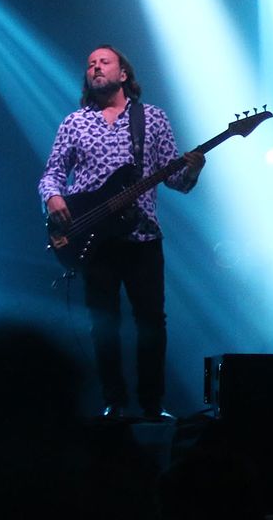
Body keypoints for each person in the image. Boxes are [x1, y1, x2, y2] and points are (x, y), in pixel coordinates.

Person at [39, 45, 204, 420]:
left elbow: (175, 178)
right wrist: (53, 198)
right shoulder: (74, 123)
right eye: (90, 64)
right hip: (92, 238)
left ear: (123, 73)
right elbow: (51, 173)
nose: (95, 67)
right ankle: (114, 401)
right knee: (103, 322)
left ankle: (151, 404)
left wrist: (193, 168)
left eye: (104, 62)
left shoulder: (153, 120)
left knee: (151, 321)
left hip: (141, 237)